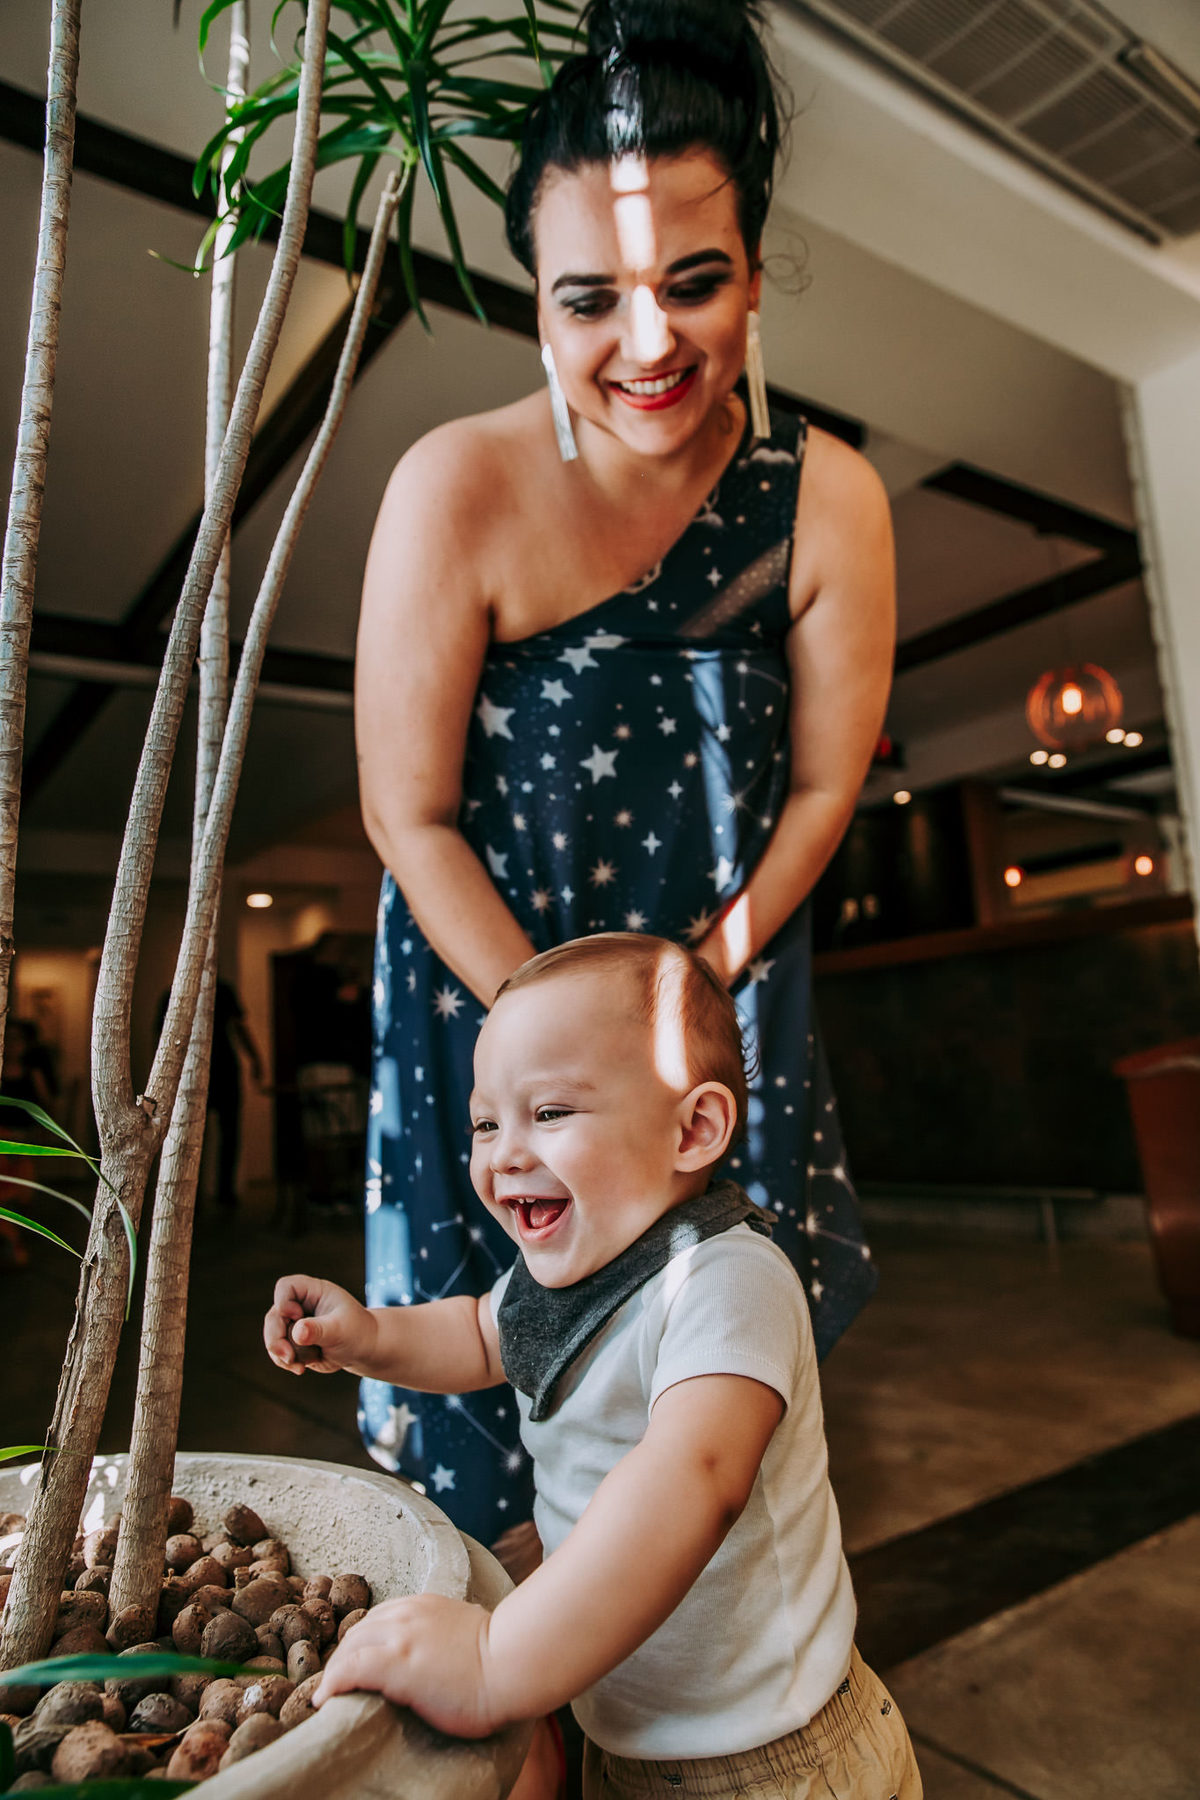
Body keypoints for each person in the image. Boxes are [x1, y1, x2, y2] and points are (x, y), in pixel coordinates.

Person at [356, 0, 894, 1585]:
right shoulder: (454, 486)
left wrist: (690, 994)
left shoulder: (832, 498)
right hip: (490, 1014)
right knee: (498, 1495)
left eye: (695, 282)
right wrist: (555, 1037)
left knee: (710, 1452)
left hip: (723, 1012)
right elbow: (410, 815)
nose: (646, 343)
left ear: (754, 267)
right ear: (536, 296)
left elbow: (818, 791)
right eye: (590, 298)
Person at [265, 935, 922, 1798]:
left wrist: (498, 1661)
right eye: (487, 1122)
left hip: (771, 1757)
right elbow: (477, 1334)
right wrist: (370, 1337)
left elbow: (697, 1474)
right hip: (627, 1733)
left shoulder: (725, 1279)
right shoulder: (569, 1268)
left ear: (694, 1129)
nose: (503, 1153)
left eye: (550, 1114)